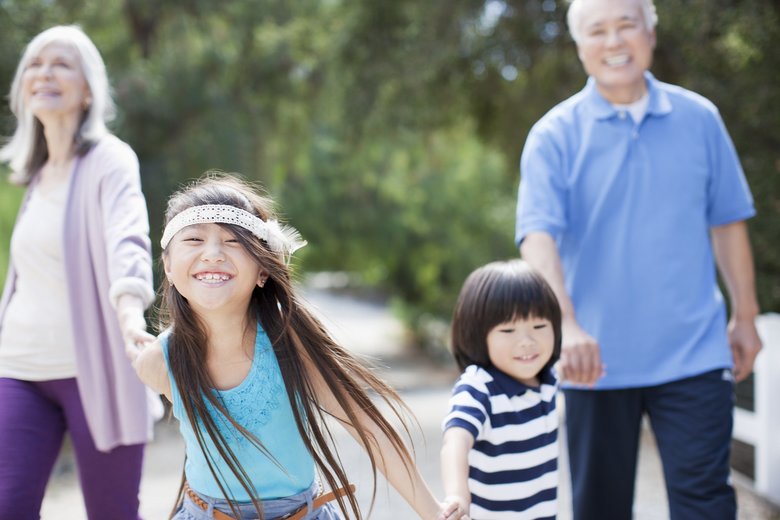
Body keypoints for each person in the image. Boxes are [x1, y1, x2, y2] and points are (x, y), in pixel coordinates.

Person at [515, 0, 763, 518]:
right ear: (580, 48)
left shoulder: (700, 119)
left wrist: (744, 314)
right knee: (600, 508)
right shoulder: (553, 135)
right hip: (593, 361)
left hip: (695, 353)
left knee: (706, 504)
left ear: (650, 34)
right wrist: (569, 327)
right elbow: (538, 238)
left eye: (627, 25)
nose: (614, 42)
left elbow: (727, 221)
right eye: (598, 31)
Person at [128, 172, 467, 520]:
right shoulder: (160, 361)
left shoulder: (286, 342)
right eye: (195, 239)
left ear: (263, 270)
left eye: (233, 242)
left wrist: (434, 513)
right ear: (168, 265)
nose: (212, 253)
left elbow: (370, 428)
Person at [0, 25, 157, 520]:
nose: (44, 73)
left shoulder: (110, 161)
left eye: (61, 64)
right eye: (36, 64)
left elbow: (127, 238)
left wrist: (131, 312)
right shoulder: (36, 174)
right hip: (20, 368)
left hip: (96, 371)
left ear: (88, 87)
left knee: (111, 513)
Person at [440, 260, 562, 519]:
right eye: (508, 330)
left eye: (539, 326)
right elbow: (456, 441)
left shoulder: (549, 379)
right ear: (477, 334)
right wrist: (457, 495)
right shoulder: (479, 387)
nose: (527, 342)